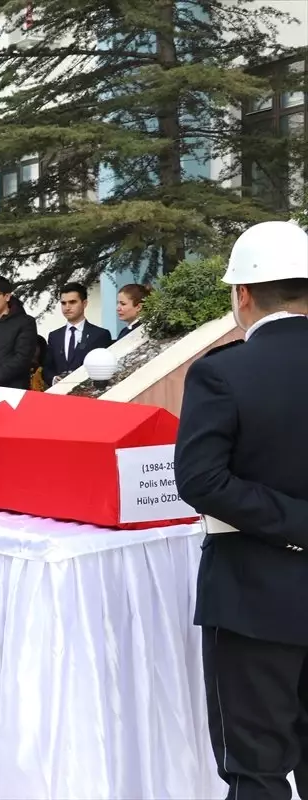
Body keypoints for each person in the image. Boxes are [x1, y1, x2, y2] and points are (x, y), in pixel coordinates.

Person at [173, 220, 308, 800]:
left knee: (255, 769)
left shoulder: (222, 371)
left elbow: (201, 479)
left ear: (243, 294)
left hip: (254, 597)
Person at [42, 281, 114, 386]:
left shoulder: (100, 335)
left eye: (72, 302)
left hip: (89, 396)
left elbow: (106, 370)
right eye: (63, 303)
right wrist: (53, 379)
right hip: (60, 395)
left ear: (84, 304)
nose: (67, 307)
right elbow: (47, 368)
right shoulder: (54, 336)